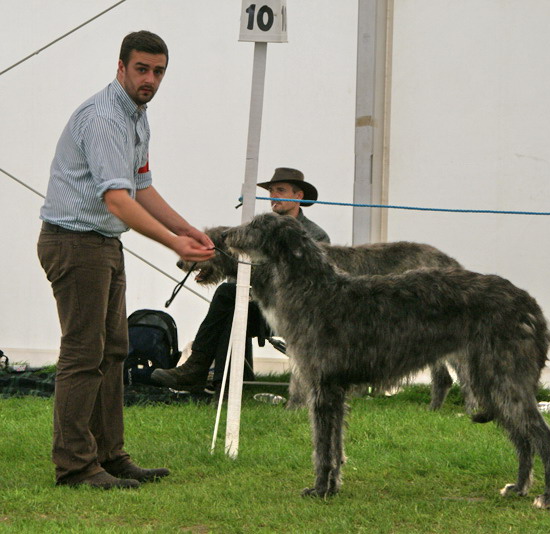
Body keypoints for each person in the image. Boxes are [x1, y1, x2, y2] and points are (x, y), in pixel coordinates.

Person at [37, 31, 215, 489]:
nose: (150, 79)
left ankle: (109, 457)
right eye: (142, 69)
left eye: (158, 72)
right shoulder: (103, 119)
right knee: (83, 354)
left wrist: (185, 228)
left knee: (114, 350)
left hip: (101, 244)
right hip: (75, 242)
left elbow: (141, 187)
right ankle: (75, 466)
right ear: (120, 68)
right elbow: (118, 201)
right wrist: (174, 245)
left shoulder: (136, 117)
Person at [151, 167, 330, 395]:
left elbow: (311, 285)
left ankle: (198, 370)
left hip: (296, 314)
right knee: (231, 302)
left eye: (281, 190)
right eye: (272, 191)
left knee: (228, 295)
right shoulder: (256, 231)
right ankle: (222, 386)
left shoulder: (316, 235)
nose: (274, 196)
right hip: (258, 308)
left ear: (298, 196)